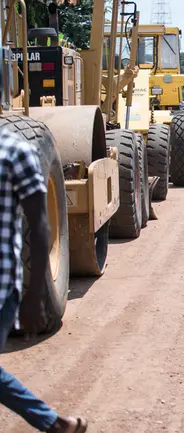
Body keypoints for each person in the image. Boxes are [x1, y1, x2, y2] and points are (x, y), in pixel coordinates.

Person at [0, 128, 88, 432]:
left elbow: (39, 227)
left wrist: (35, 294)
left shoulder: (15, 153)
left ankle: (53, 422)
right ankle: (55, 423)